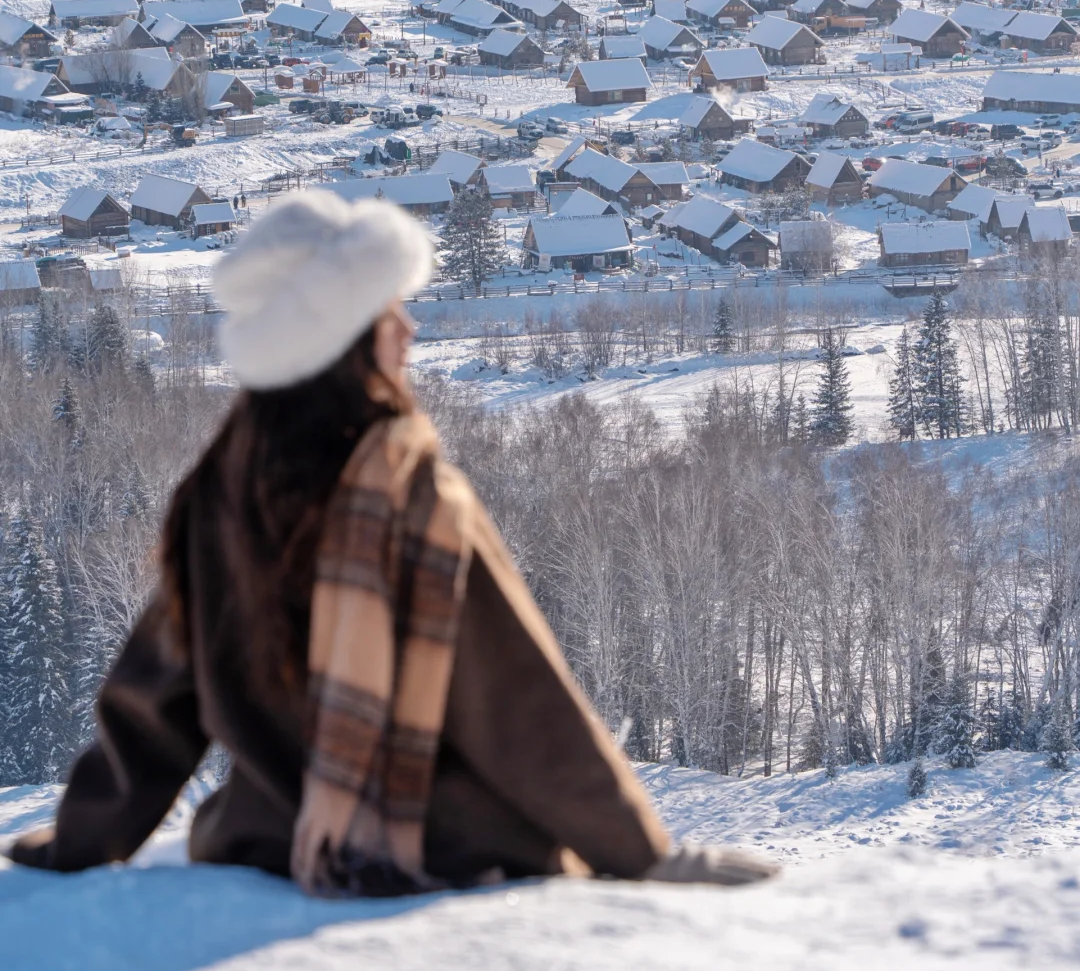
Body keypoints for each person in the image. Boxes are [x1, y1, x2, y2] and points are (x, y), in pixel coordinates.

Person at [8, 192, 775, 896]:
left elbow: (155, 694)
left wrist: (82, 838)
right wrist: (642, 854)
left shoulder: (223, 484)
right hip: (437, 844)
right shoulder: (411, 490)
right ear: (339, 335)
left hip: (266, 839)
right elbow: (515, 699)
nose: (409, 329)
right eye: (388, 311)